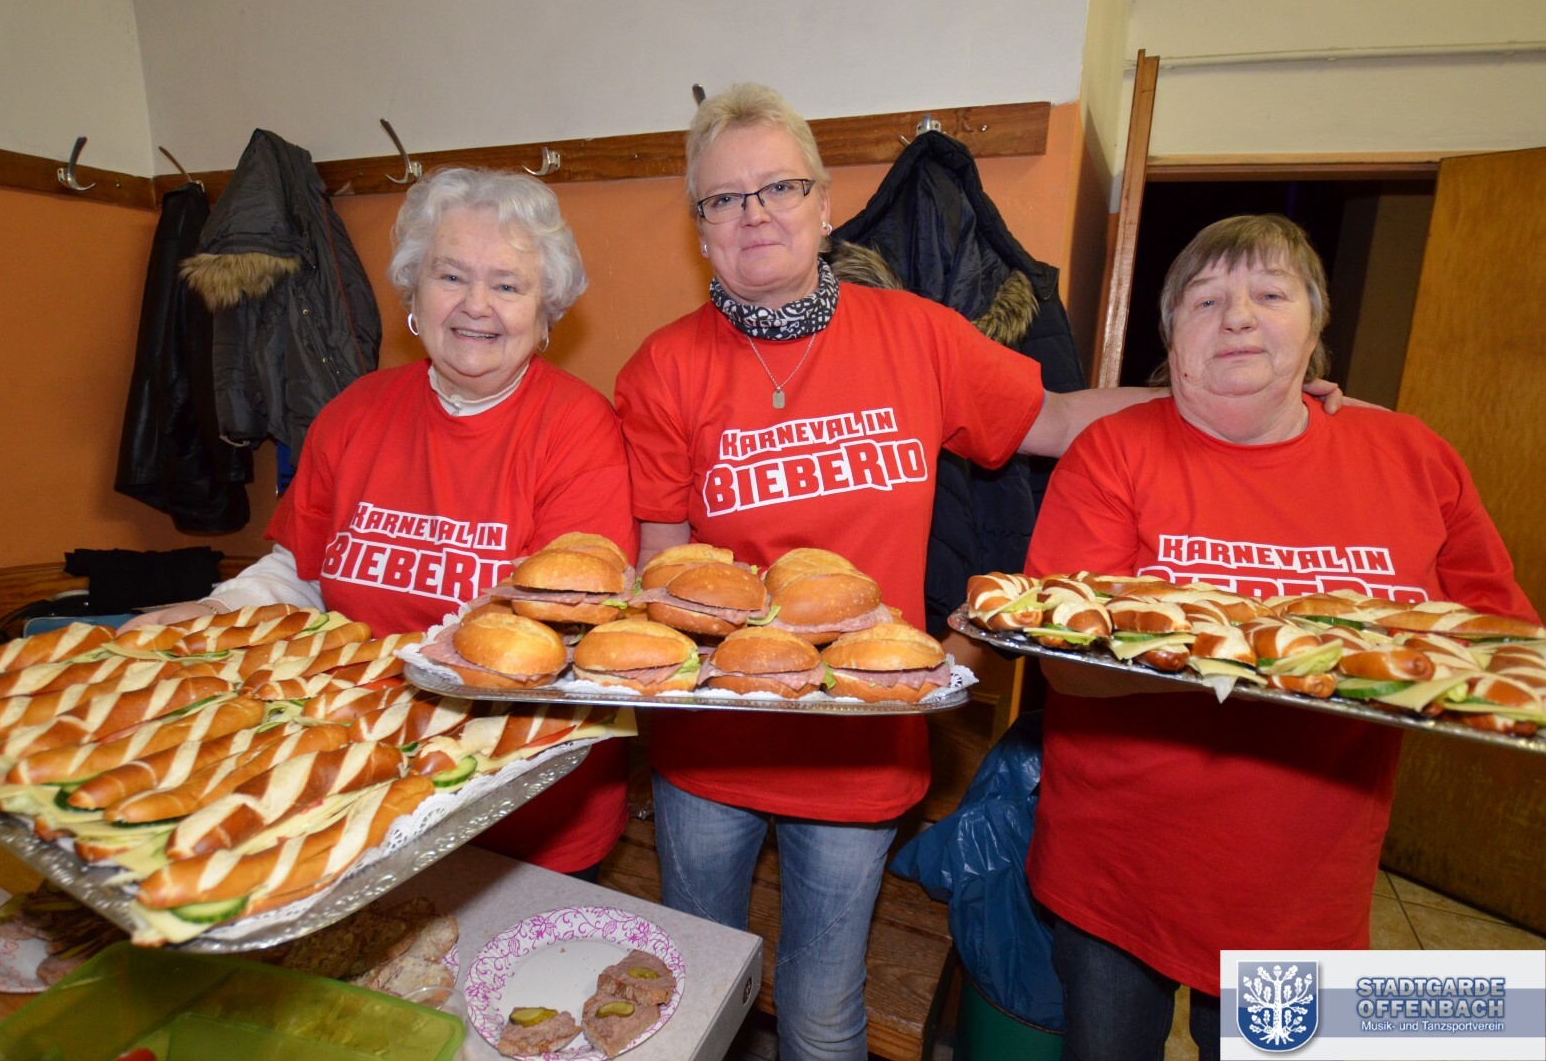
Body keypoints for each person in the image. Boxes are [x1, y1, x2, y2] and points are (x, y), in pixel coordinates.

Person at [614, 82, 1256, 1060]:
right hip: (713, 744)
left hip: (862, 738)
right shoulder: (663, 368)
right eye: (724, 199)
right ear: (699, 228)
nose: (755, 215)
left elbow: (1058, 419)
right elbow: (665, 573)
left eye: (778, 188)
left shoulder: (912, 333)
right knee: (697, 983)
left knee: (822, 1006)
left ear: (824, 205)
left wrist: (1230, 399)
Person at [1022, 214, 1537, 1061]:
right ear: (1170, 334)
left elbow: (1504, 643)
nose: (1236, 317)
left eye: (1269, 294)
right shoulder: (1113, 452)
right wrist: (1277, 657)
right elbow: (1069, 666)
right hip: (1119, 868)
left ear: (1315, 321)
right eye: (1204, 300)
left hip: (1305, 885)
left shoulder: (1411, 455)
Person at [125, 167, 638, 878]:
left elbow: (566, 630)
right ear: (413, 293)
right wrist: (214, 611)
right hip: (351, 788)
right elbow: (301, 573)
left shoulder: (577, 429)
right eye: (450, 276)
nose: (475, 305)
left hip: (520, 807)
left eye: (508, 285)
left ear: (546, 312)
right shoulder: (353, 413)